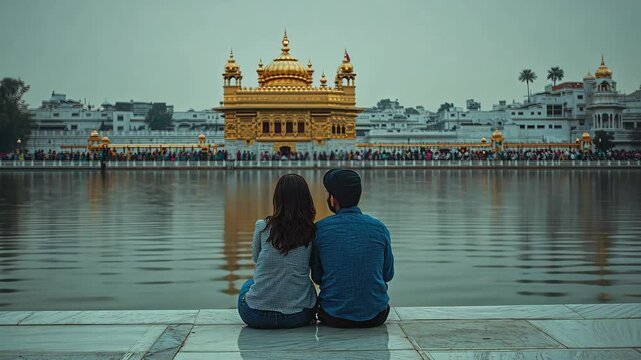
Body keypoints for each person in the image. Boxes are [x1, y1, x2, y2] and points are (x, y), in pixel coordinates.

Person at [311, 168, 394, 328]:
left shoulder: (319, 230)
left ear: (333, 199)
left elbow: (317, 277)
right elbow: (388, 274)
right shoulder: (379, 228)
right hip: (376, 316)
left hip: (332, 315)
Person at [238, 173, 317, 329]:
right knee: (305, 283)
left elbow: (256, 258)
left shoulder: (263, 226)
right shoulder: (312, 231)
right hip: (298, 316)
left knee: (250, 283)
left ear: (277, 199)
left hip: (254, 315)